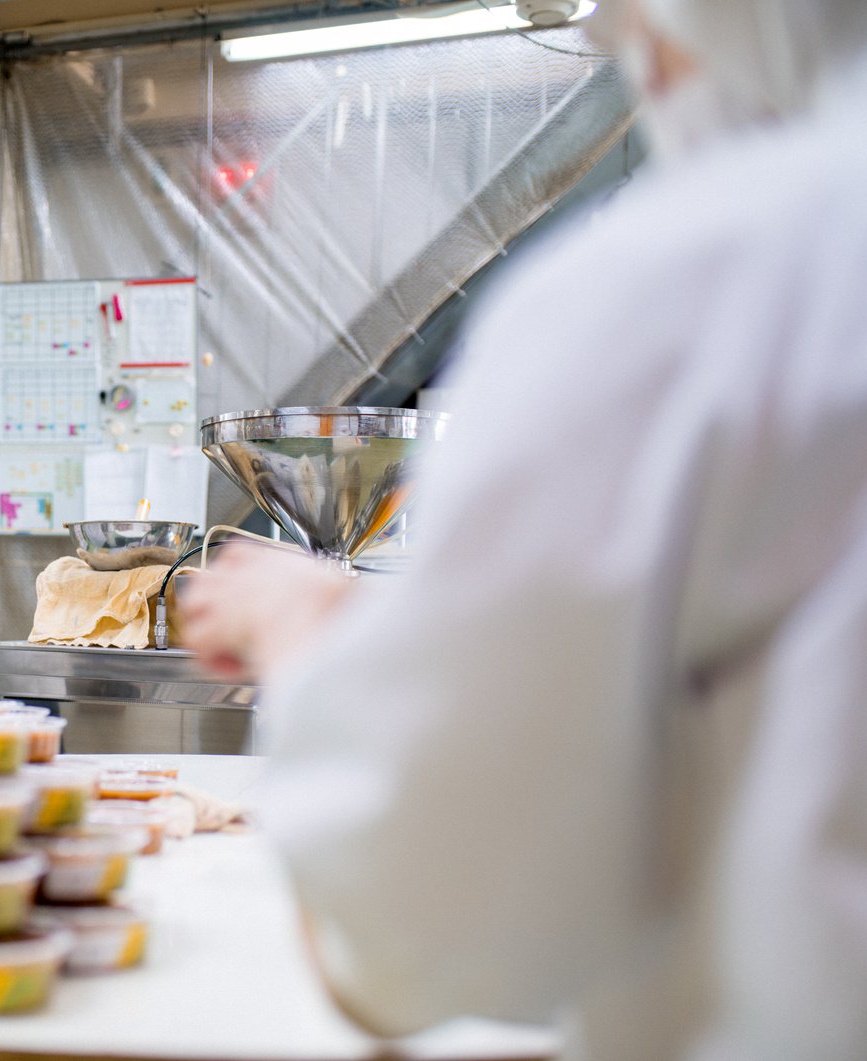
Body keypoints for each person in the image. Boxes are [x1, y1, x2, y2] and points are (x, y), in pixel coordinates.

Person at [180, 1, 867, 1059]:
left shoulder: (681, 291)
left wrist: (304, 629)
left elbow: (427, 919)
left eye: (633, 27)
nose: (620, 53)